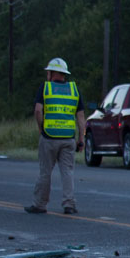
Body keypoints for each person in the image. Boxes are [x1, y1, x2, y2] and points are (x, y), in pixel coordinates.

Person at [25, 58, 86, 215]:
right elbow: (80, 117)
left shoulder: (45, 88)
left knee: (45, 172)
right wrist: (81, 139)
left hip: (49, 137)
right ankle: (69, 204)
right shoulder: (74, 90)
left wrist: (41, 128)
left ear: (52, 73)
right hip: (68, 138)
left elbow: (38, 111)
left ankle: (40, 204)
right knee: (67, 172)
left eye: (48, 72)